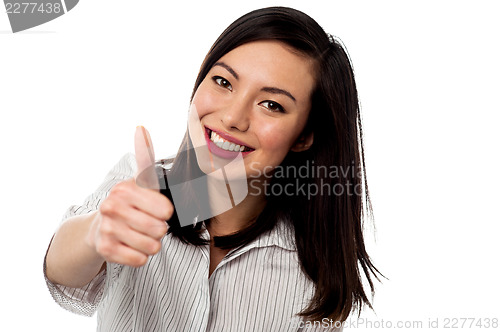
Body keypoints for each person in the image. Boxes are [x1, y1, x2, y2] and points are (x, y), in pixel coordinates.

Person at [44, 6, 380, 331]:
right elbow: (62, 278)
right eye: (223, 82)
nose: (233, 117)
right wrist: (97, 231)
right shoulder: (136, 187)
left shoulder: (314, 273)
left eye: (271, 105)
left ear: (304, 135)